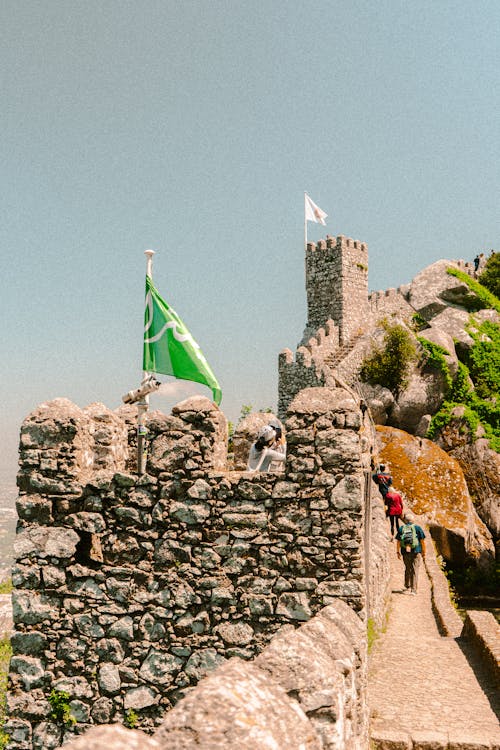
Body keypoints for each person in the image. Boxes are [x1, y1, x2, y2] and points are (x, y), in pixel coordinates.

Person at [396, 512, 426, 595]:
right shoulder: (417, 528)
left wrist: (397, 551)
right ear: (413, 521)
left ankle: (407, 585)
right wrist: (423, 551)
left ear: (405, 521)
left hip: (405, 551)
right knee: (414, 570)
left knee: (407, 567)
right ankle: (414, 590)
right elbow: (422, 541)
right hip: (416, 551)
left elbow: (398, 541)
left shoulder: (402, 528)